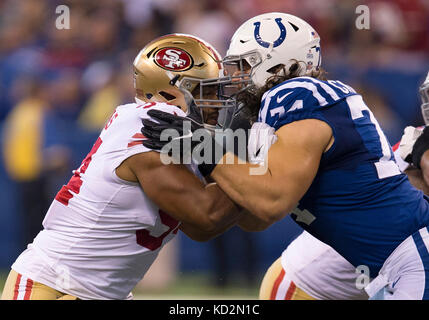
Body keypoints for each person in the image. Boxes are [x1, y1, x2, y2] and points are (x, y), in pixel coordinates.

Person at [141, 13, 429, 299]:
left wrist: (205, 149)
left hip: (413, 257)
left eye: (243, 64)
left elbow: (271, 203)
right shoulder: (287, 109)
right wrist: (215, 168)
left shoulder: (295, 92)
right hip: (398, 261)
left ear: (277, 63)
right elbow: (255, 219)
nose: (233, 77)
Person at [1, 34, 243, 300]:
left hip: (100, 293)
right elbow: (206, 214)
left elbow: (200, 228)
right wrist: (258, 165)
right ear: (169, 92)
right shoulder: (147, 135)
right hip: (53, 288)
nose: (217, 101)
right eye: (206, 90)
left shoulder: (173, 133)